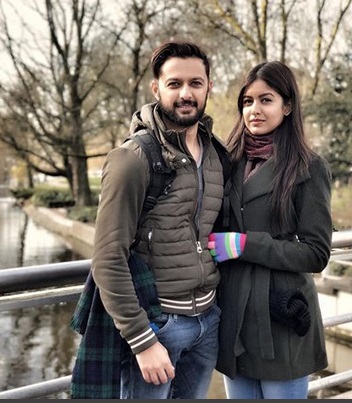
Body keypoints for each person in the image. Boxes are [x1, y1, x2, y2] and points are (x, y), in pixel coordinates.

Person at [87, 41, 228, 399]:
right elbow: (107, 257)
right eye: (174, 83)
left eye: (196, 83)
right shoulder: (133, 158)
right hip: (157, 325)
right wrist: (141, 339)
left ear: (209, 86)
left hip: (207, 321)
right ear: (156, 88)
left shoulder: (217, 154)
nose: (186, 93)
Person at [207, 61, 333, 399]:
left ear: (287, 106)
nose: (254, 110)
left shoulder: (309, 167)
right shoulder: (226, 161)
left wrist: (245, 244)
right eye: (247, 101)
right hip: (235, 315)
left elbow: (316, 252)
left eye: (266, 100)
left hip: (281, 314)